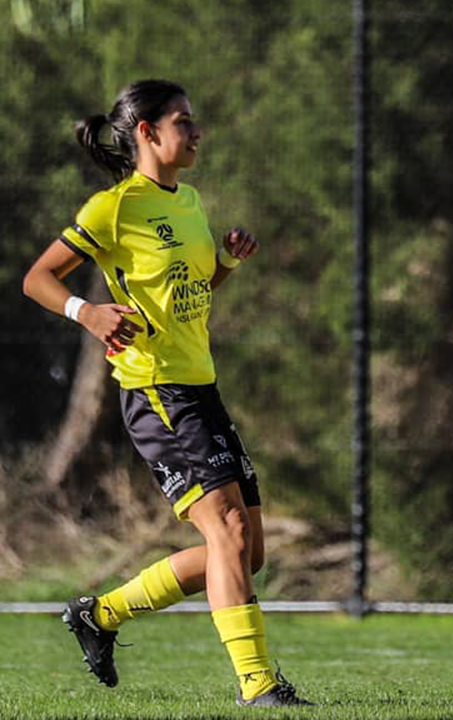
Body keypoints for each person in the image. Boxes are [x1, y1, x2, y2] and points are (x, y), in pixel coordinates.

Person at [22, 80, 311, 708]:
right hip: (156, 393)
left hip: (202, 389)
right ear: (148, 133)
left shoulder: (192, 202)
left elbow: (193, 293)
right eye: (185, 122)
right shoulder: (113, 208)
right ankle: (259, 685)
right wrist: (87, 312)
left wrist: (227, 264)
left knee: (244, 552)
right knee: (229, 532)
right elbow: (37, 278)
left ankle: (100, 615)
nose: (197, 132)